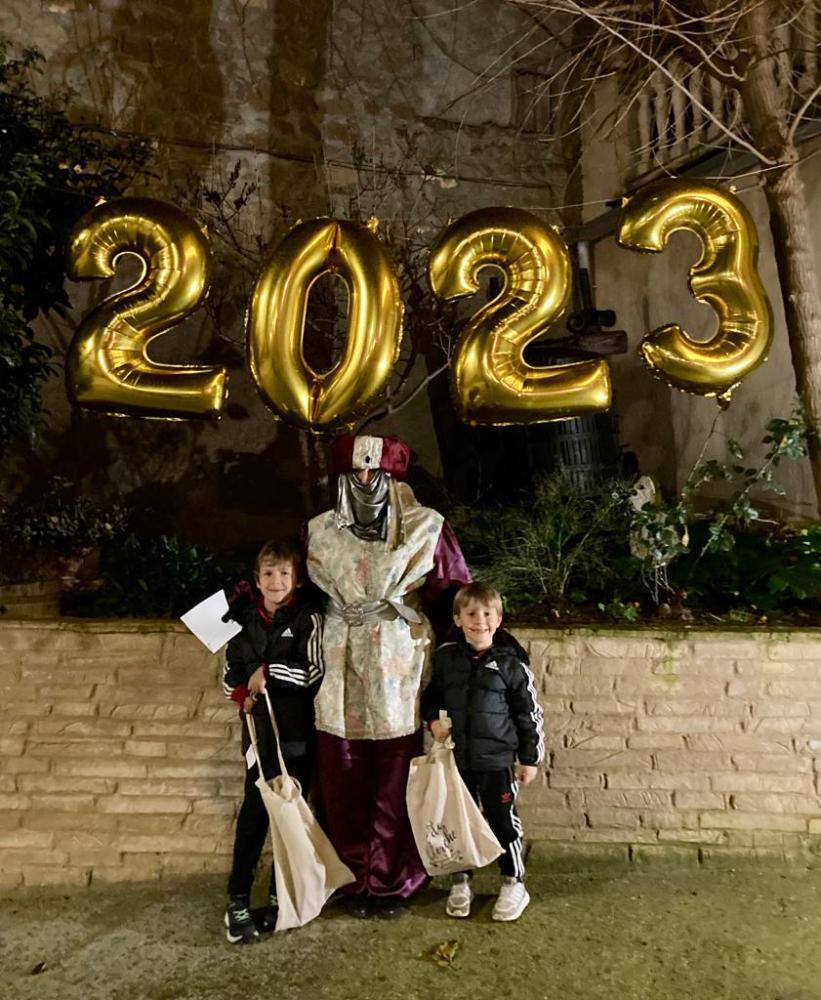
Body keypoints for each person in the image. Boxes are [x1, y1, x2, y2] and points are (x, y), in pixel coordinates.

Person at [306, 433, 470, 920]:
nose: (364, 480)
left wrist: (466, 665)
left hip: (399, 663)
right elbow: (294, 593)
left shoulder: (425, 527)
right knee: (343, 772)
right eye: (355, 472)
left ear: (391, 476)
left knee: (397, 773)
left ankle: (392, 878)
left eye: (373, 471)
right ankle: (352, 875)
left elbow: (452, 595)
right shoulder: (319, 531)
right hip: (339, 662)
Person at [421, 581, 544, 922]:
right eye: (471, 614)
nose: (480, 621)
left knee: (503, 821)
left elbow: (528, 714)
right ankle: (461, 881)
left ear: (498, 619)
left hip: (497, 761)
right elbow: (431, 697)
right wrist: (433, 722)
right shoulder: (446, 658)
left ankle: (513, 880)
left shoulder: (511, 664)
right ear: (458, 619)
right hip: (457, 759)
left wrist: (529, 759)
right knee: (457, 821)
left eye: (488, 614)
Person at [221, 539, 324, 944]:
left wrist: (270, 672)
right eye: (268, 573)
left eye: (284, 573)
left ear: (296, 580)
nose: (276, 580)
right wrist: (243, 692)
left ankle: (286, 894)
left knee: (293, 817)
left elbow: (314, 671)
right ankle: (237, 900)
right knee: (253, 819)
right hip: (258, 737)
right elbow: (229, 675)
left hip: (296, 736)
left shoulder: (309, 617)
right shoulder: (242, 621)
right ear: (257, 579)